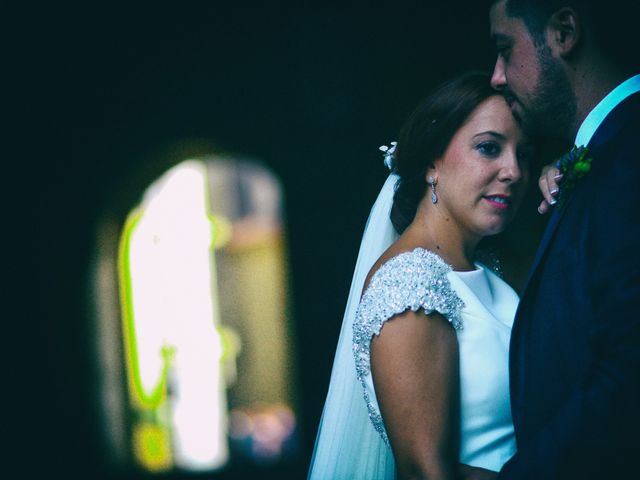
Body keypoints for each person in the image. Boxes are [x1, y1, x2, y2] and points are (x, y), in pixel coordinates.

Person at [308, 71, 533, 479]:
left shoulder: (493, 270)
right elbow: (426, 472)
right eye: (489, 148)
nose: (514, 171)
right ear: (432, 162)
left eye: (525, 155)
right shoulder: (409, 286)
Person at [488, 0, 640, 478]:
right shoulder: (602, 154)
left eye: (504, 49)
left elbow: (629, 373)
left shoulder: (629, 158)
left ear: (564, 32)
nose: (496, 75)